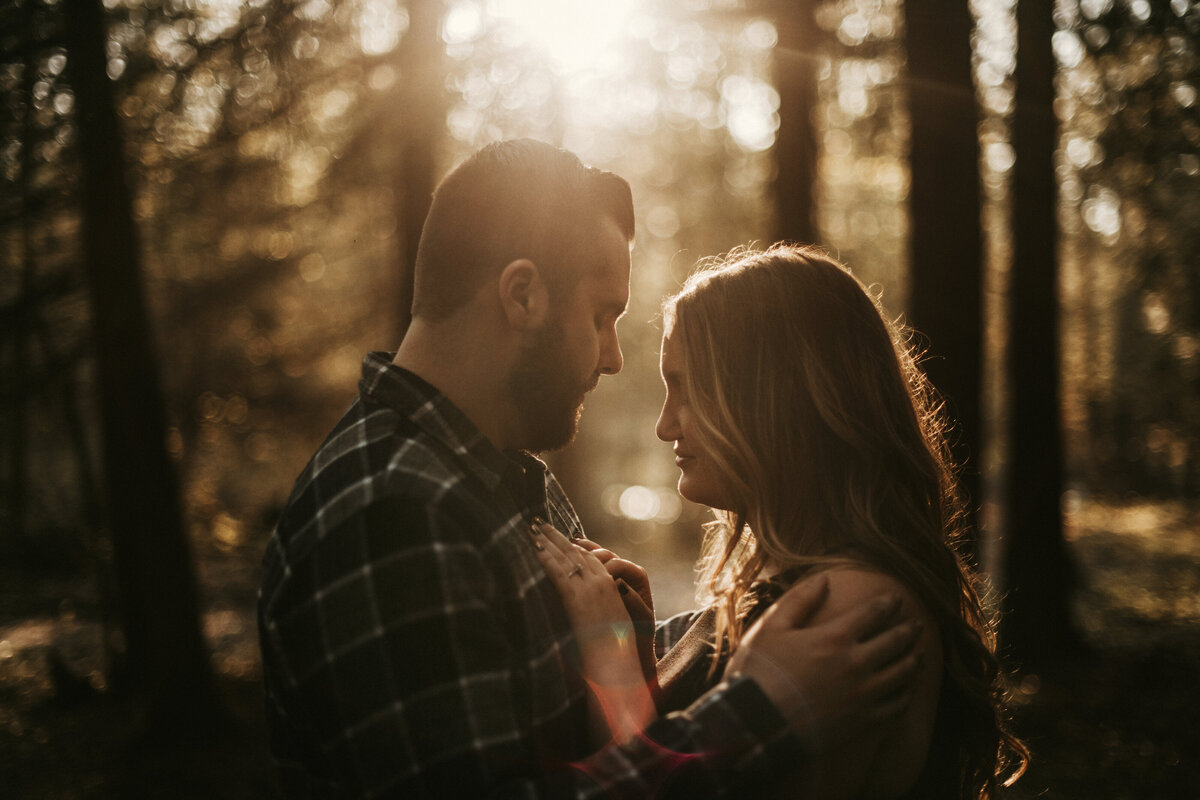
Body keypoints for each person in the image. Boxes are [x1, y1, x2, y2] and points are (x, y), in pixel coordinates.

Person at [257, 142, 925, 797]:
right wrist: (761, 713)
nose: (612, 359)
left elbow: (558, 716)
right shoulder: (394, 511)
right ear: (522, 296)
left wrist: (624, 642)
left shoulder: (495, 475)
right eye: (602, 316)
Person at [535, 243, 1029, 798]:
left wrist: (612, 663)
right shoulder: (800, 583)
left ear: (770, 396)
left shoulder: (850, 606)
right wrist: (646, 658)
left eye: (686, 388)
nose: (665, 426)